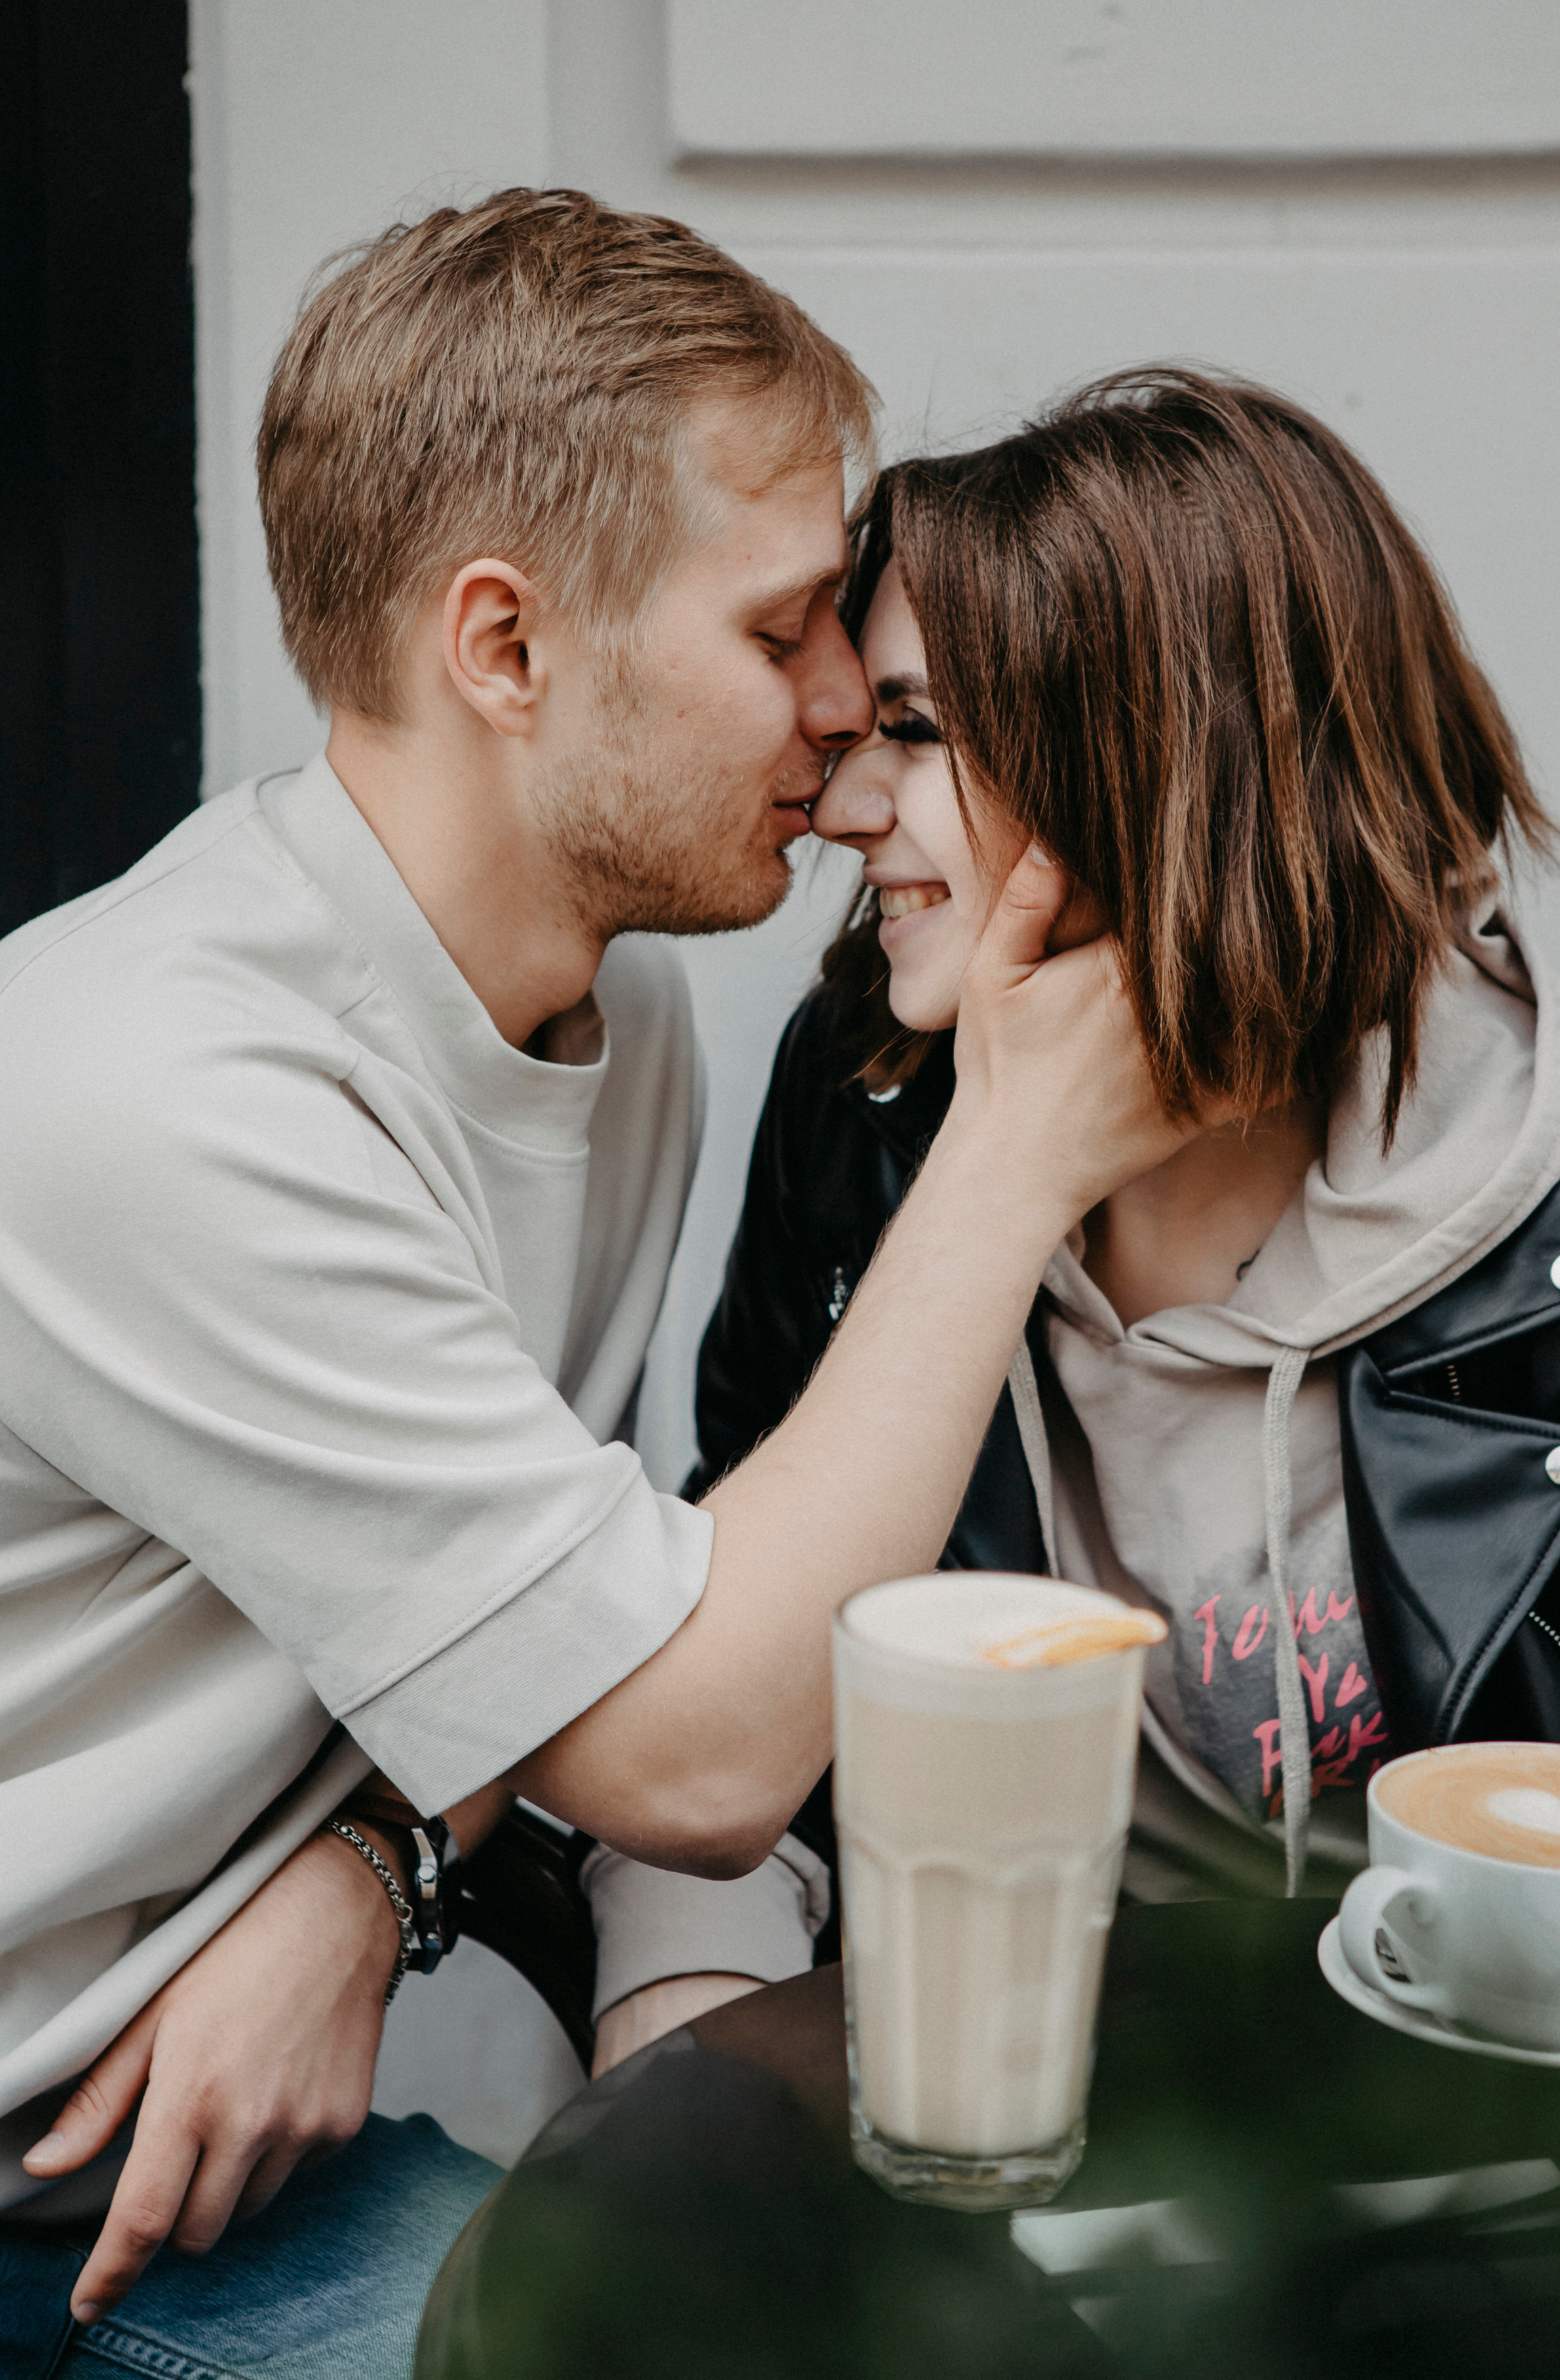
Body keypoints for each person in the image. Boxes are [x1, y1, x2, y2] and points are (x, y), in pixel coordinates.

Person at [0, 196, 1177, 2373]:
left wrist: (367, 1870)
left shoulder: (596, 1024)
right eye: (786, 633)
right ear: (507, 649)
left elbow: (559, 1594)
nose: (844, 725)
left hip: (156, 2168)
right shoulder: (168, 1094)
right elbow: (696, 1746)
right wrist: (1020, 1145)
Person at [615, 366, 1560, 2027]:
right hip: (970, 2136)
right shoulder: (868, 1110)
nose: (841, 807)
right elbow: (735, 1647)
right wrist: (680, 2027)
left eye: (912, 731)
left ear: (1166, 772)